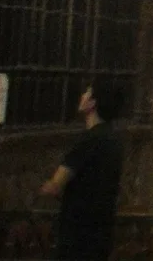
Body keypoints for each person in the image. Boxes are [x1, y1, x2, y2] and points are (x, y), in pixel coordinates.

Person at [39, 85, 125, 261]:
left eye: (86, 93)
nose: (82, 96)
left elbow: (55, 185)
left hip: (77, 230)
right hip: (102, 228)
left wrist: (44, 188)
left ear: (93, 103)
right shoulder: (114, 141)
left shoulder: (86, 142)